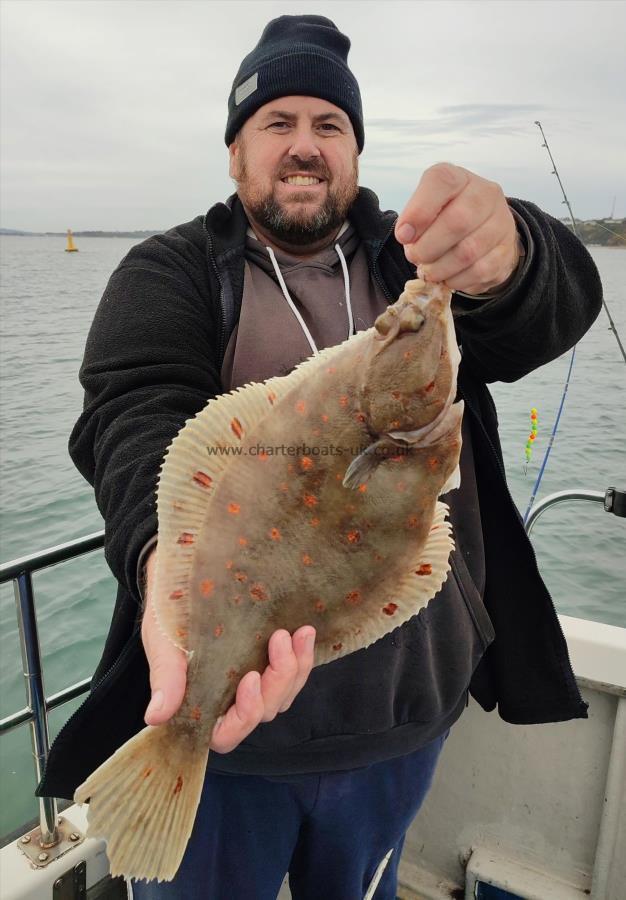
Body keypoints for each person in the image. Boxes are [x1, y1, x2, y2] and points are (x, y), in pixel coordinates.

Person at [38, 14, 602, 900]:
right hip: (231, 736)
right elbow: (131, 417)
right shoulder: (174, 272)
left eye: (329, 126)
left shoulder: (415, 266)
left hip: (404, 720)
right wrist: (164, 567)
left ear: (357, 151)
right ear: (235, 153)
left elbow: (554, 306)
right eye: (277, 122)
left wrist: (513, 253)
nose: (305, 146)